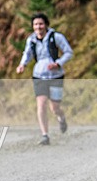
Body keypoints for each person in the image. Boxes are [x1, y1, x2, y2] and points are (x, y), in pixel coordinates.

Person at [16, 12, 73, 145]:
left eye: (40, 24)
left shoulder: (56, 37)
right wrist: (22, 65)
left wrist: (58, 63)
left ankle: (61, 117)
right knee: (41, 104)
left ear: (46, 24)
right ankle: (45, 135)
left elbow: (69, 52)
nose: (38, 27)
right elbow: (27, 54)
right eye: (35, 24)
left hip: (55, 76)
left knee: (55, 107)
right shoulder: (31, 40)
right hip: (39, 75)